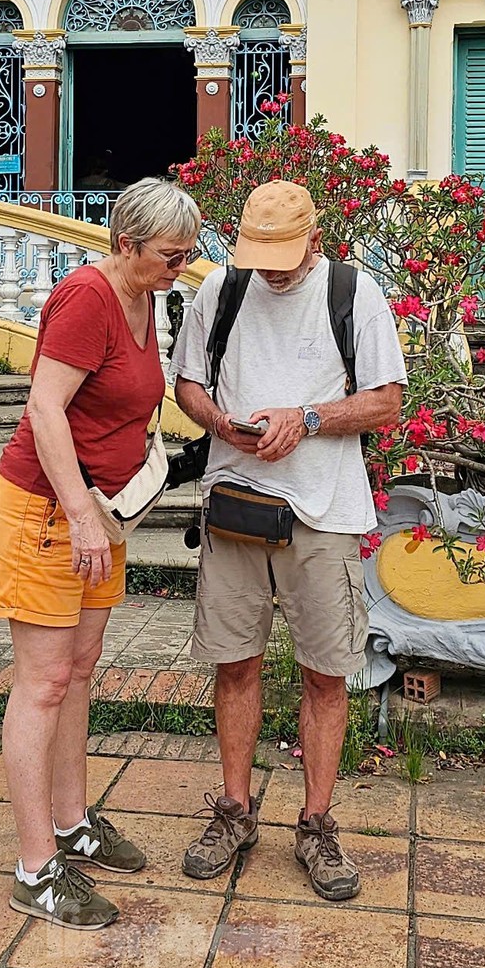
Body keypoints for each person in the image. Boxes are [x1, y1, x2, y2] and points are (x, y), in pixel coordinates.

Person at [171, 179, 406, 901]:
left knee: (325, 674)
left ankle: (317, 823)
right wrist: (223, 425)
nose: (269, 267)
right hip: (236, 503)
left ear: (315, 234)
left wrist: (304, 420)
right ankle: (234, 811)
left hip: (325, 513)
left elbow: (387, 402)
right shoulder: (222, 291)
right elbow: (187, 384)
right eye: (257, 251)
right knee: (234, 665)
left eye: (282, 251)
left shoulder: (354, 293)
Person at [0, 177, 202, 930]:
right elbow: (44, 407)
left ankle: (73, 823)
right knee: (42, 683)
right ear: (126, 243)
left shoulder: (150, 297)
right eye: (171, 255)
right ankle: (35, 868)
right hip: (48, 513)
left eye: (189, 254)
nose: (183, 266)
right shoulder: (87, 298)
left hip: (98, 517)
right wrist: (78, 512)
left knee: (78, 671)